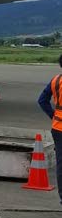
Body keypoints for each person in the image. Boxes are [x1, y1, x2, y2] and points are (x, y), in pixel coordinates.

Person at [37, 57, 62, 202]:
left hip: (58, 128)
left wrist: (53, 115)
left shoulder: (55, 81)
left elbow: (42, 100)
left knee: (61, 165)